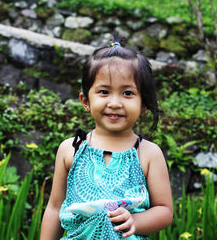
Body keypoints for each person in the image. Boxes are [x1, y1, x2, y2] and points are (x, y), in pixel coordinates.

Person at [40, 35, 173, 239]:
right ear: (85, 100)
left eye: (128, 93)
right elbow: (55, 208)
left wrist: (135, 221)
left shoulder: (148, 153)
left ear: (144, 103)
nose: (115, 103)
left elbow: (164, 210)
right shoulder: (71, 150)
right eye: (104, 92)